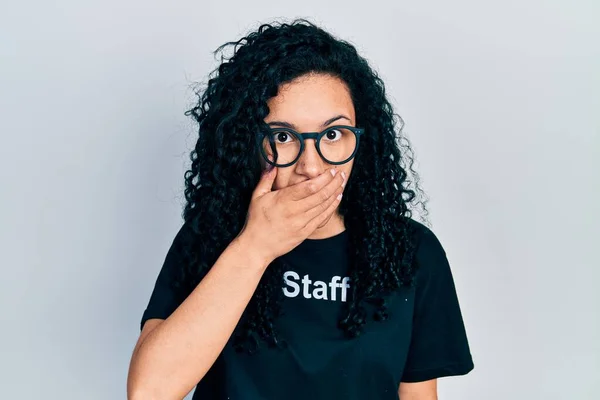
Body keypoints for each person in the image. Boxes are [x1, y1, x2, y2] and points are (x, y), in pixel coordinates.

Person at [127, 18, 474, 400]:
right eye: (282, 136)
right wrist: (254, 247)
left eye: (332, 134)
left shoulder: (411, 252)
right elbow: (150, 391)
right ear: (249, 142)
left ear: (363, 138)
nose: (311, 166)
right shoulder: (211, 235)